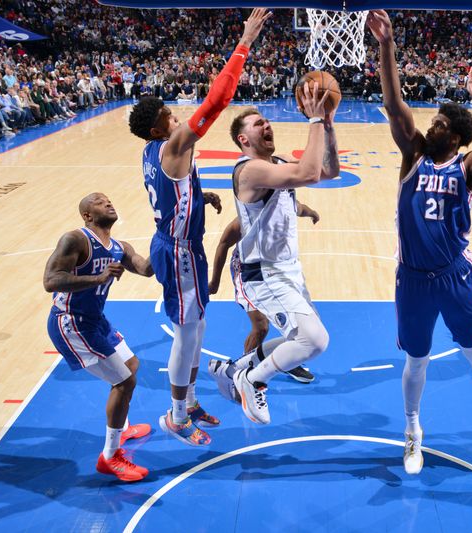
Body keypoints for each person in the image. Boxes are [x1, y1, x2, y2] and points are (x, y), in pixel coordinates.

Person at [367, 10, 472, 475]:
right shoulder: (412, 153)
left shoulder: (468, 166)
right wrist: (387, 45)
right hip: (412, 280)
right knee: (416, 360)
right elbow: (394, 104)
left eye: (438, 125)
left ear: (454, 136)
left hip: (455, 276)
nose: (429, 127)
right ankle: (412, 430)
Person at [127, 8, 270, 446]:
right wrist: (244, 42)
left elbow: (175, 190)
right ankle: (174, 415)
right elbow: (217, 101)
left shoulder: (156, 153)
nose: (177, 117)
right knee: (188, 333)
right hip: (177, 251)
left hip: (180, 243)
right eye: (171, 114)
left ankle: (188, 401)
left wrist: (200, 198)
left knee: (198, 329)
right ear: (159, 127)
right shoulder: (173, 145)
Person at [222, 85, 340, 425]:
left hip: (288, 270)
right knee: (314, 341)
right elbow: (307, 173)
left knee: (301, 339)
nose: (267, 125)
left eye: (267, 121)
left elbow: (328, 172)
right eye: (258, 124)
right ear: (244, 140)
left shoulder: (277, 162)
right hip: (263, 271)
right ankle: (253, 379)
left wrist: (328, 124)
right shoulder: (249, 170)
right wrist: (315, 118)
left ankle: (240, 367)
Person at [43, 193, 153, 482]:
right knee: (124, 381)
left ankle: (122, 426)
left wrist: (169, 232)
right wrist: (98, 278)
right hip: (71, 323)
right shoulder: (76, 239)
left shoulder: (119, 247)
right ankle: (110, 457)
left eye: (108, 199)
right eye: (98, 201)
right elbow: (50, 280)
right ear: (87, 215)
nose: (108, 202)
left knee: (131, 365)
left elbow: (147, 269)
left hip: (96, 321)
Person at [207, 201, 321, 395]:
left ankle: (288, 360)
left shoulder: (287, 206)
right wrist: (215, 281)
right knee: (261, 326)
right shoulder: (246, 220)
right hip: (248, 272)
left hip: (276, 271)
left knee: (297, 323)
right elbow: (223, 244)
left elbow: (301, 208)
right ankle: (242, 373)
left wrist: (313, 213)